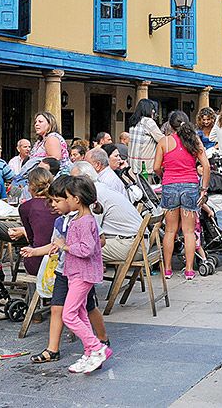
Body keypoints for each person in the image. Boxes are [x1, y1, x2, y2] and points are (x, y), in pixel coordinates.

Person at [32, 174, 111, 366]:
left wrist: (64, 246)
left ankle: (97, 346)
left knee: (69, 314)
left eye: (63, 198)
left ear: (75, 199)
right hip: (72, 272)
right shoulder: (76, 219)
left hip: (82, 274)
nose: (59, 203)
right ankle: (90, 350)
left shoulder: (85, 221)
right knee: (81, 311)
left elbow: (86, 249)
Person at [154, 111, 212, 281]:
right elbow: (206, 167)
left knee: (170, 230)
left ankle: (168, 269)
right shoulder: (195, 141)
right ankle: (189, 270)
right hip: (190, 186)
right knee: (188, 231)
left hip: (169, 186)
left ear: (170, 126)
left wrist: (165, 174)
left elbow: (156, 167)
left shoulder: (164, 141)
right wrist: (204, 189)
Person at [72, 162, 143, 263]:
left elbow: (92, 229)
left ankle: (87, 278)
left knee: (77, 251)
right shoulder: (101, 187)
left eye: (74, 180)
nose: (71, 184)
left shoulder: (94, 193)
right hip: (136, 242)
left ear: (86, 177)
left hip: (130, 245)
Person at [10, 167, 59, 275]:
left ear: (31, 187)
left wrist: (23, 231)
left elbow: (32, 239)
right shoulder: (60, 205)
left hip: (39, 259)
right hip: (59, 257)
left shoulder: (26, 207)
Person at [128, 99, 164, 181]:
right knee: (147, 191)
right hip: (145, 167)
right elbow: (161, 139)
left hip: (132, 166)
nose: (154, 111)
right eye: (152, 109)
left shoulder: (133, 121)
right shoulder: (148, 122)